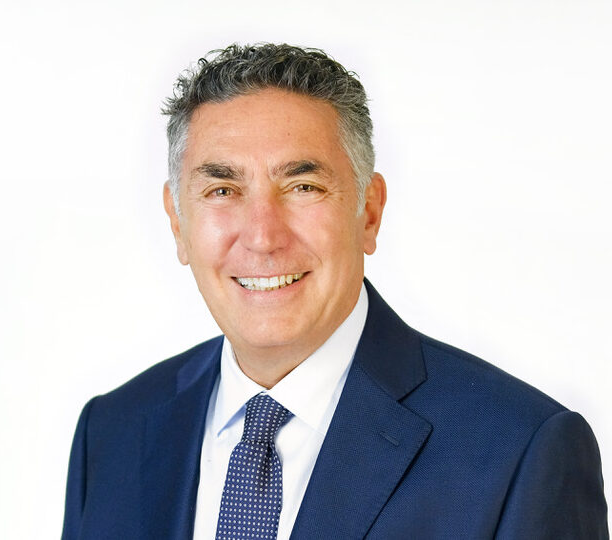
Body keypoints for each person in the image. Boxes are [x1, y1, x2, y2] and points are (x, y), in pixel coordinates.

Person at [61, 43, 608, 539]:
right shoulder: (110, 433)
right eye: (222, 190)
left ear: (368, 212)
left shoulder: (519, 453)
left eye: (303, 186)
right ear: (178, 223)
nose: (262, 236)